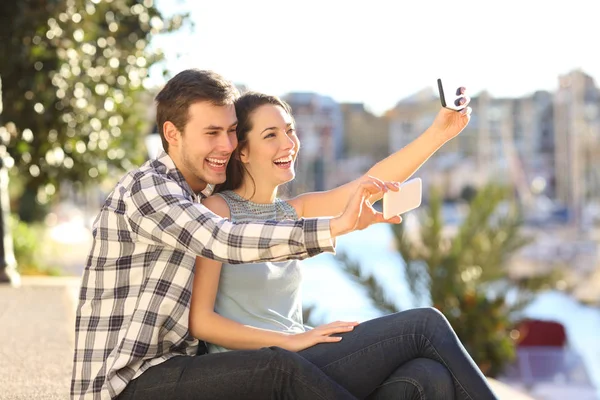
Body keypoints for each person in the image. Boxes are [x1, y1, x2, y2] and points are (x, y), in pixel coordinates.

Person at [71, 69, 402, 400]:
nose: (227, 144)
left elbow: (365, 186)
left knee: (421, 378)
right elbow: (224, 239)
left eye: (231, 131)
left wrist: (441, 131)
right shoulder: (150, 188)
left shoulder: (198, 191)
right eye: (212, 132)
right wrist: (336, 226)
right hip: (124, 383)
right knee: (280, 368)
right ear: (172, 133)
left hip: (176, 368)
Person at [190, 92, 500, 399]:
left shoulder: (293, 212)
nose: (288, 143)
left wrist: (440, 133)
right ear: (242, 152)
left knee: (426, 378)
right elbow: (202, 321)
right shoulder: (218, 211)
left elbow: (372, 183)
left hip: (303, 357)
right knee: (425, 325)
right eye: (271, 135)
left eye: (289, 130)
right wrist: (291, 341)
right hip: (259, 371)